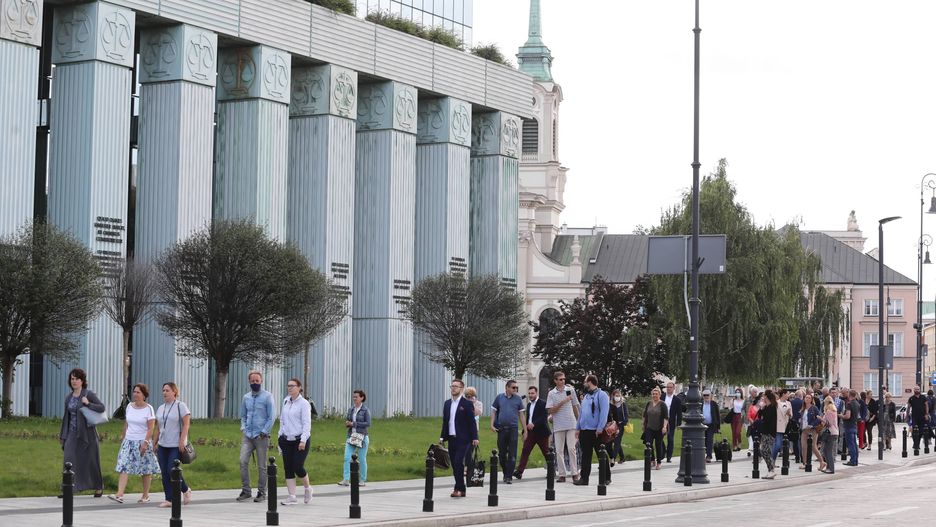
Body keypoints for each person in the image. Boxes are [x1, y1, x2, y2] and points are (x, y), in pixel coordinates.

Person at [108, 383, 160, 504]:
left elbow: (151, 428)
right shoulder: (129, 406)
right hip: (129, 441)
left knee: (145, 469)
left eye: (138, 392)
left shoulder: (149, 409)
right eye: (134, 392)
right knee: (123, 465)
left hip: (143, 441)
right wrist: (123, 436)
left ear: (144, 395)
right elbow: (127, 423)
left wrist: (146, 443)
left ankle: (145, 495)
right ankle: (120, 494)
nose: (135, 394)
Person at [60, 368, 104, 498]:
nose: (74, 381)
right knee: (68, 459)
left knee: (91, 462)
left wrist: (88, 403)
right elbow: (66, 417)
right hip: (71, 433)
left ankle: (98, 487)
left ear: (82, 381)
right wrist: (63, 435)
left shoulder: (88, 394)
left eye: (77, 379)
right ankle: (68, 489)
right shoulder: (68, 397)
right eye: (72, 379)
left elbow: (101, 408)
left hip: (87, 434)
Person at [237, 371, 275, 502]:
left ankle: (261, 492)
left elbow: (271, 417)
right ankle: (246, 490)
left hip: (261, 437)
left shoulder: (268, 397)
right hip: (248, 435)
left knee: (262, 466)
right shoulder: (246, 397)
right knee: (242, 461)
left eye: (257, 381)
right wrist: (243, 427)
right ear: (249, 382)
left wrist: (264, 432)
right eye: (252, 381)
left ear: (261, 381)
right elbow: (243, 415)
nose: (255, 383)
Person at [153, 382, 193, 508]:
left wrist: (182, 441)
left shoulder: (181, 406)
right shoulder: (160, 408)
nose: (164, 393)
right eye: (163, 390)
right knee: (164, 472)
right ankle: (169, 499)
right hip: (162, 444)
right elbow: (158, 428)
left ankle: (186, 490)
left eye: (167, 390)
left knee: (172, 470)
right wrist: (154, 442)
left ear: (174, 392)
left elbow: (186, 424)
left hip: (175, 444)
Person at [440, 379, 479, 497]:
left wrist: (475, 437)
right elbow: (445, 422)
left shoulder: (466, 404)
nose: (453, 388)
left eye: (456, 386)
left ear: (461, 389)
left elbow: (471, 422)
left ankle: (459, 488)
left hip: (464, 439)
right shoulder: (447, 403)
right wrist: (442, 437)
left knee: (458, 461)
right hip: (451, 438)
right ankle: (460, 488)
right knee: (455, 463)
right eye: (452, 386)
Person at [277, 378, 312, 505]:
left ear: (299, 387)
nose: (290, 388)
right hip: (286, 439)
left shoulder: (304, 403)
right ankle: (292, 496)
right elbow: (282, 420)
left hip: (300, 440)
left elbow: (306, 424)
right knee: (288, 468)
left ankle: (307, 488)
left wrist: (303, 440)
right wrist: (279, 437)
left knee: (297, 466)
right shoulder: (286, 401)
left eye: (292, 386)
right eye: (288, 386)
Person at [574, 374, 610, 486]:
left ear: (590, 382)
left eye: (585, 381)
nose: (584, 384)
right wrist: (578, 427)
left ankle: (606, 477)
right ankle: (584, 479)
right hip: (585, 430)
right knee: (586, 455)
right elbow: (581, 413)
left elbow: (604, 413)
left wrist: (600, 427)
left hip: (596, 431)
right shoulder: (586, 396)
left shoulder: (602, 395)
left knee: (601, 454)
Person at [546, 371, 580, 482]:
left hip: (571, 423)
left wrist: (579, 423)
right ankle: (562, 474)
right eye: (560, 379)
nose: (563, 381)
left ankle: (575, 473)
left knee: (572, 448)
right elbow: (550, 410)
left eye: (564, 379)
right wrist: (563, 401)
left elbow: (575, 406)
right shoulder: (551, 393)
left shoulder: (570, 390)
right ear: (555, 380)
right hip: (558, 424)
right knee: (559, 450)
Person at [490, 379, 525, 484]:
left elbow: (522, 415)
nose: (515, 389)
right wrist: (491, 424)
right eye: (513, 387)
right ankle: (506, 473)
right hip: (501, 429)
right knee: (501, 454)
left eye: (516, 388)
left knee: (512, 454)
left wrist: (525, 430)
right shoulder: (499, 398)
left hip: (513, 429)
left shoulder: (518, 399)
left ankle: (508, 476)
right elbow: (494, 412)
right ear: (507, 387)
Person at [513, 386, 550, 480]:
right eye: (529, 393)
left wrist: (534, 424)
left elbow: (543, 417)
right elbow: (527, 418)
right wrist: (524, 431)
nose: (530, 395)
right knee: (525, 450)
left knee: (546, 452)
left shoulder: (542, 403)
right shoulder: (529, 405)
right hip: (530, 433)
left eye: (532, 393)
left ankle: (551, 471)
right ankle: (519, 472)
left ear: (536, 393)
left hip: (541, 432)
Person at [339, 389, 370, 488]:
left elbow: (368, 423)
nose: (354, 398)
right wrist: (348, 423)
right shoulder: (351, 409)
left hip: (362, 437)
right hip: (351, 437)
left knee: (361, 458)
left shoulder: (365, 410)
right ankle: (346, 479)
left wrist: (354, 424)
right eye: (353, 397)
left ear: (362, 398)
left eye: (356, 397)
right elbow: (349, 420)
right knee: (347, 457)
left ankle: (362, 480)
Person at [642, 386, 668, 470]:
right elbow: (645, 415)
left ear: (659, 395)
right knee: (648, 443)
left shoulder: (662, 404)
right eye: (653, 394)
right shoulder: (649, 403)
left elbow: (666, 417)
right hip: (649, 427)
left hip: (659, 428)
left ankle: (659, 462)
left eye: (656, 394)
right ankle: (652, 459)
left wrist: (664, 427)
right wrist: (643, 424)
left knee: (658, 444)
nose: (654, 395)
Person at [462, 386, 483, 484]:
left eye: (471, 396)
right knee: (465, 450)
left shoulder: (478, 403)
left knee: (470, 450)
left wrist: (472, 404)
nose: (469, 398)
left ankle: (468, 468)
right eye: (467, 396)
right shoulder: (463, 403)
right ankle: (465, 467)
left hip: (474, 431)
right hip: (464, 430)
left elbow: (477, 413)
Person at [798, 393, 823, 471]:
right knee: (803, 446)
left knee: (813, 446)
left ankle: (822, 462)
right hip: (804, 429)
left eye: (809, 398)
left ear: (811, 400)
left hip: (812, 430)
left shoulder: (814, 408)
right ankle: (805, 463)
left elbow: (819, 418)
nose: (807, 399)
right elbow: (801, 417)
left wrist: (812, 425)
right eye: (806, 397)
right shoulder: (803, 408)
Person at [757, 389, 778, 479]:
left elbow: (771, 421)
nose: (762, 397)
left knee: (765, 451)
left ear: (767, 396)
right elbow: (760, 416)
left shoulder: (772, 407)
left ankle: (771, 470)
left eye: (764, 395)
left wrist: (770, 432)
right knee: (765, 451)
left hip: (769, 432)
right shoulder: (766, 407)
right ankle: (771, 470)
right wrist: (761, 408)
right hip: (765, 431)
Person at [663, 381, 683, 463]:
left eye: (670, 387)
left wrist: (679, 423)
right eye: (667, 387)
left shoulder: (677, 400)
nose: (668, 389)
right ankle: (662, 452)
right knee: (659, 438)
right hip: (662, 420)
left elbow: (679, 412)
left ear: (674, 388)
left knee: (670, 439)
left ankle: (669, 456)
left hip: (671, 421)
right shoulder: (662, 396)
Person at [608, 389, 629, 465]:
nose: (617, 397)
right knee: (615, 441)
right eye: (616, 395)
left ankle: (612, 458)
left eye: (618, 395)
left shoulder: (623, 404)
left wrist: (624, 422)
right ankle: (622, 457)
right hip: (613, 425)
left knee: (617, 441)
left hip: (621, 425)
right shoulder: (611, 405)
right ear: (613, 396)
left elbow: (626, 415)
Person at [840, 389, 860, 466]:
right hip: (854, 425)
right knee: (854, 444)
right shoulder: (857, 404)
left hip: (849, 426)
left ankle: (852, 461)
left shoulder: (849, 404)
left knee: (851, 444)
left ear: (849, 394)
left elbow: (847, 416)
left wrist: (841, 415)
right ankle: (855, 460)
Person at [700, 389, 720, 462]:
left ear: (710, 396)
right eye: (704, 395)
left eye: (707, 395)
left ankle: (709, 456)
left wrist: (718, 427)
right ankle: (702, 455)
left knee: (709, 440)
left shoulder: (714, 404)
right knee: (703, 441)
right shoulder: (700, 404)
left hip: (711, 425)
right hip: (702, 425)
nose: (706, 397)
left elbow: (718, 415)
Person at [906, 385, 929, 452]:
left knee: (921, 431)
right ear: (914, 390)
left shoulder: (923, 397)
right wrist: (907, 416)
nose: (917, 390)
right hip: (914, 417)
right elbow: (908, 407)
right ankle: (916, 444)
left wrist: (927, 414)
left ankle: (917, 443)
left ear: (920, 390)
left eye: (918, 389)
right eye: (915, 389)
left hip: (922, 417)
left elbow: (926, 405)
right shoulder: (911, 398)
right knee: (914, 431)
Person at [820, 395, 839, 473]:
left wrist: (821, 418)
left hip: (830, 432)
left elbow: (828, 423)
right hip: (834, 432)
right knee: (826, 450)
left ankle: (831, 468)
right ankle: (829, 467)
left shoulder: (828, 411)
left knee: (828, 451)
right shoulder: (834, 411)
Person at [742, 386, 760, 456]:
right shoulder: (747, 400)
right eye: (754, 392)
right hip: (747, 420)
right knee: (749, 435)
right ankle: (751, 448)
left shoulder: (758, 400)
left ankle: (750, 449)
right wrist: (744, 415)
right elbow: (743, 409)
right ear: (751, 392)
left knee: (754, 435)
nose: (755, 393)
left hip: (755, 421)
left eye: (756, 392)